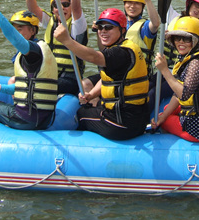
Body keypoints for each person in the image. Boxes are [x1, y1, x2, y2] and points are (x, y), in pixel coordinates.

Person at [54, 8, 150, 140]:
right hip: (136, 119)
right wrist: (91, 95)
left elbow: (94, 57)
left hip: (121, 124)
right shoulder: (127, 46)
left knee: (81, 114)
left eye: (109, 27)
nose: (103, 31)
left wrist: (67, 40)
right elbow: (109, 79)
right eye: (100, 27)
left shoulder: (119, 53)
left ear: (122, 30)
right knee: (93, 105)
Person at [152, 16, 199, 142]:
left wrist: (164, 70)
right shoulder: (196, 54)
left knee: (164, 121)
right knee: (166, 111)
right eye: (177, 38)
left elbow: (183, 95)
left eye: (187, 39)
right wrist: (164, 115)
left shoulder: (196, 62)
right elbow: (178, 93)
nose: (180, 42)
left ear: (196, 40)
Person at [82, 0, 160, 103]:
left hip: (135, 75)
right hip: (115, 70)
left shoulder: (144, 27)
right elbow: (104, 51)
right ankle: (94, 107)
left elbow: (155, 24)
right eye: (129, 3)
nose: (132, 6)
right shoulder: (115, 24)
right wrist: (100, 30)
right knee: (85, 84)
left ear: (142, 7)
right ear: (124, 5)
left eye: (137, 3)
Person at [0, 2, 58, 130]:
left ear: (33, 30)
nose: (17, 33)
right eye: (15, 29)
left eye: (20, 29)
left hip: (27, 118)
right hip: (43, 120)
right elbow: (25, 88)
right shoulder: (40, 49)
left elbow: (15, 39)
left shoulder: (34, 52)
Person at [21, 0, 88, 95]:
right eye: (56, 5)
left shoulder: (77, 25)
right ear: (52, 9)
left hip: (70, 78)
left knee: (39, 85)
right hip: (49, 73)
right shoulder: (50, 21)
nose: (61, 8)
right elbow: (33, 9)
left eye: (66, 4)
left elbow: (77, 9)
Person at [150, 0, 199, 110]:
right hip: (164, 68)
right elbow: (164, 2)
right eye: (196, 6)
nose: (197, 10)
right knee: (147, 86)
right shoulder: (174, 17)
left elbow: (189, 43)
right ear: (190, 5)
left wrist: (171, 35)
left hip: (179, 75)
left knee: (154, 93)